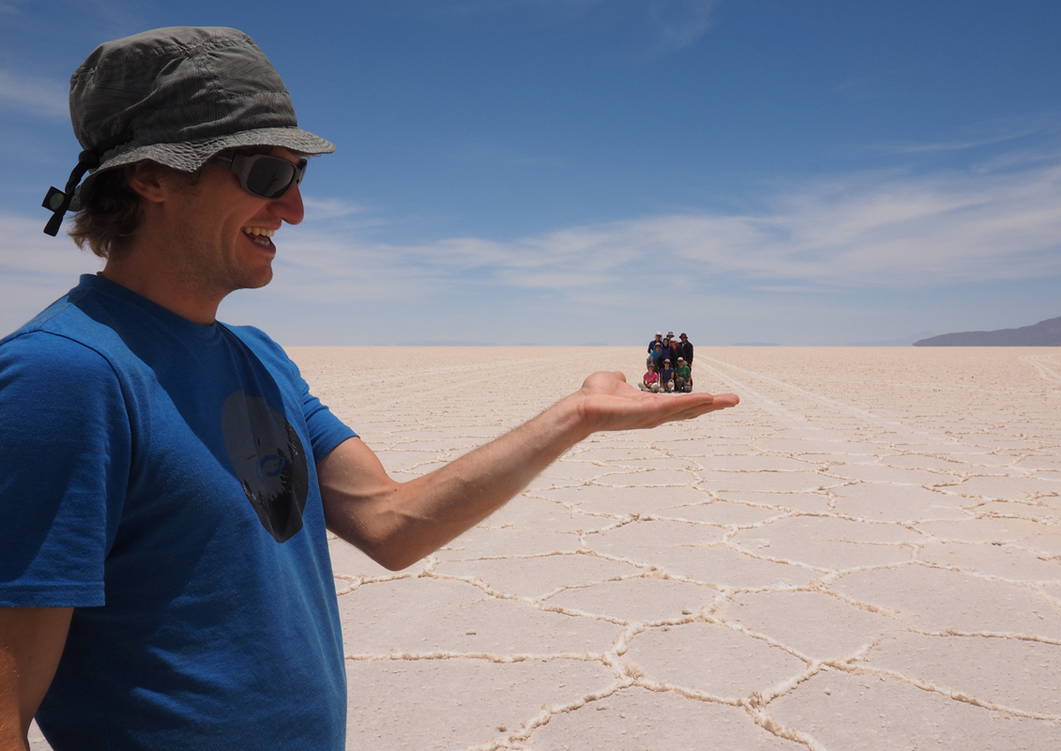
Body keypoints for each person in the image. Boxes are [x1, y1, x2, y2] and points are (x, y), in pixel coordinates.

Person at [0, 27, 738, 750]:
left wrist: (574, 416)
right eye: (264, 174)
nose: (292, 209)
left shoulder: (258, 358)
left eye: (298, 176)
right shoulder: (65, 376)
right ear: (151, 176)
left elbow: (392, 521)